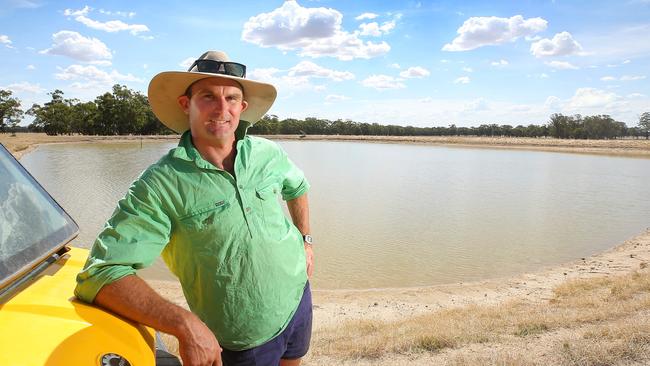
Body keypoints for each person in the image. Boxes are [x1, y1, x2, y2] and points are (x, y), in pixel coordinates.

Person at [75, 50, 314, 366]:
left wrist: (306, 241)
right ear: (186, 104)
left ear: (242, 108)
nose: (222, 108)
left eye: (231, 98)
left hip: (298, 298)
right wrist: (184, 324)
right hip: (242, 339)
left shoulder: (268, 153)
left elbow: (298, 188)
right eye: (208, 96)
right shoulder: (161, 183)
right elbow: (102, 273)